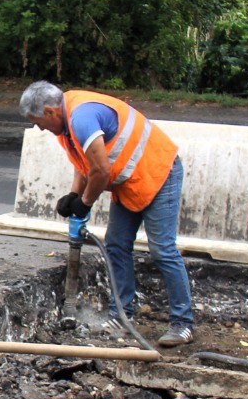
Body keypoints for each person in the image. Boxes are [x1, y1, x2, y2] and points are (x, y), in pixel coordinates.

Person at [19, 81, 195, 348]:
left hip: (159, 174)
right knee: (116, 245)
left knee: (162, 249)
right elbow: (84, 160)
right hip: (131, 182)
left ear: (50, 111)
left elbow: (101, 170)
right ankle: (121, 316)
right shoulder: (66, 119)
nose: (40, 128)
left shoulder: (82, 117)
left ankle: (183, 324)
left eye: (39, 122)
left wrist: (86, 202)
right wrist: (74, 195)